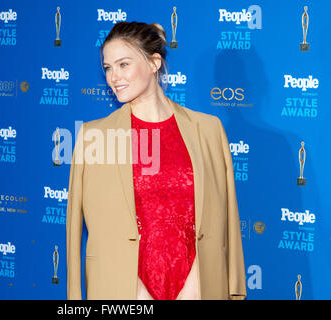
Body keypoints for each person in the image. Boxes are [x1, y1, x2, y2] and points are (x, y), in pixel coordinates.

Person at [66, 21, 246, 300]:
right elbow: (76, 229)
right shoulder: (94, 136)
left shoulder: (209, 130)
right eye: (107, 67)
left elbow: (227, 218)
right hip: (124, 292)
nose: (114, 77)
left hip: (197, 287)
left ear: (154, 63)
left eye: (123, 64)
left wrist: (224, 287)